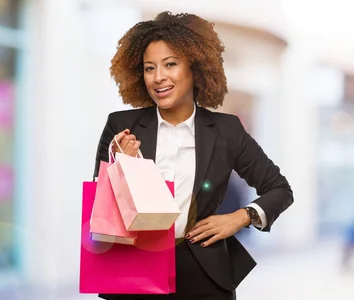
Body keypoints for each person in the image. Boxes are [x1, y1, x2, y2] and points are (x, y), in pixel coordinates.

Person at [92, 12, 293, 300]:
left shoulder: (226, 131)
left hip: (204, 275)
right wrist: (122, 166)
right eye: (150, 68)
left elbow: (280, 189)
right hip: (135, 271)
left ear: (195, 68)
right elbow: (101, 206)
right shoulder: (122, 126)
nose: (158, 77)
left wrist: (240, 217)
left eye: (170, 64)